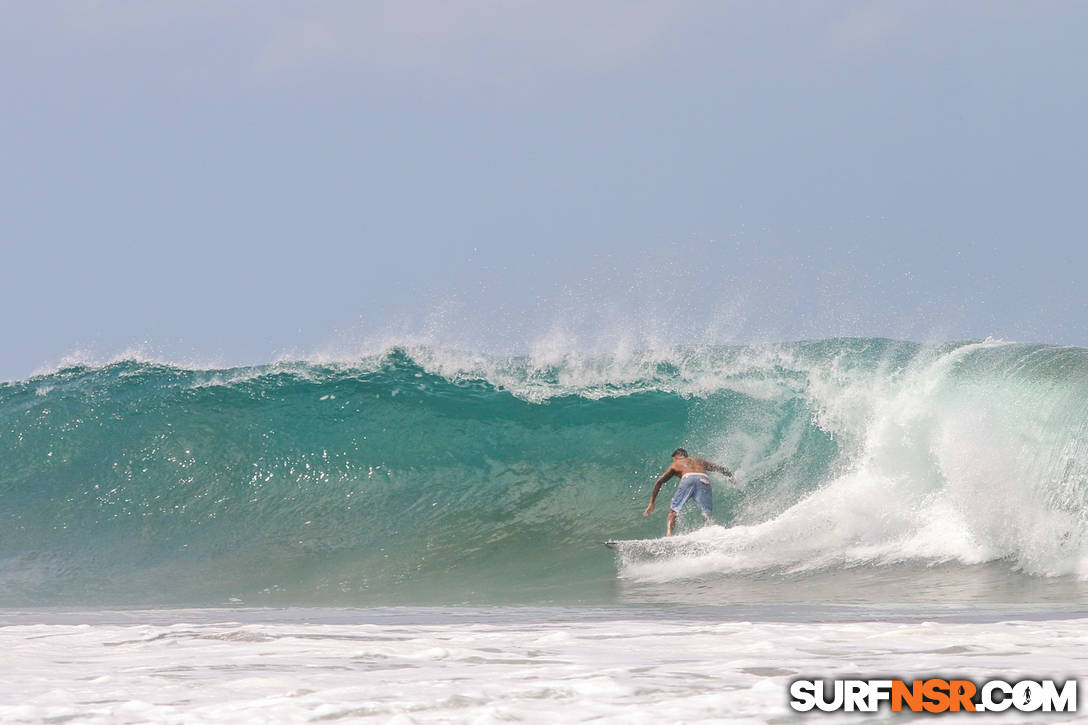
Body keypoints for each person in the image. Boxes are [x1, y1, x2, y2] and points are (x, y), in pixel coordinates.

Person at [643, 448, 734, 536]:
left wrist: (652, 502)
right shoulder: (699, 460)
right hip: (704, 478)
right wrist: (732, 478)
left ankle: (669, 534)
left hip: (688, 478)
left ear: (676, 457)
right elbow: (720, 468)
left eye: (673, 459)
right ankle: (708, 530)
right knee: (707, 512)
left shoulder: (676, 464)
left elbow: (659, 482)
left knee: (674, 510)